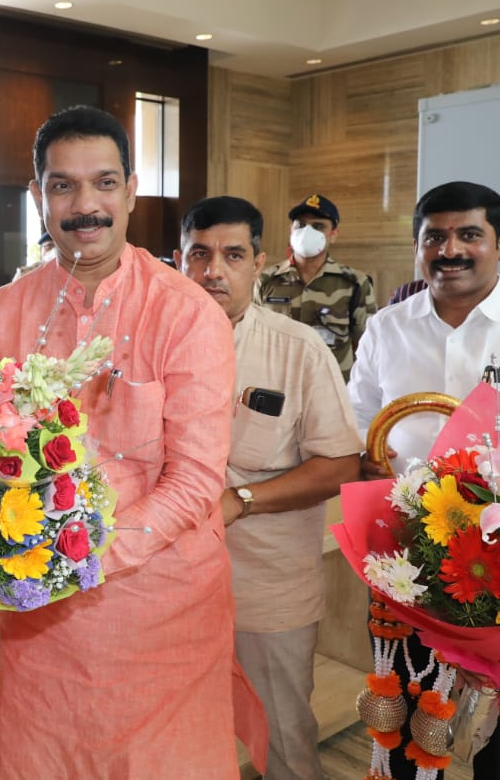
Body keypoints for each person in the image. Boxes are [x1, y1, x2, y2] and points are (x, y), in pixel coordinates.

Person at [0, 105, 261, 777]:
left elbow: (194, 483)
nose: (86, 206)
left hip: (160, 617)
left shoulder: (186, 311)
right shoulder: (6, 308)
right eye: (63, 186)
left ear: (132, 191)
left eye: (104, 183)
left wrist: (78, 556)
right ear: (38, 195)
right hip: (41, 620)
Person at [348, 180, 500, 779]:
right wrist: (366, 463)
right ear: (417, 247)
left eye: (469, 235)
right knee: (404, 713)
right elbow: (356, 428)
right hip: (407, 564)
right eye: (434, 237)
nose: (449, 250)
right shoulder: (386, 329)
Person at [175, 195, 361, 780]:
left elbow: (339, 464)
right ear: (178, 261)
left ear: (260, 263)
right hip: (168, 586)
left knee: (283, 737)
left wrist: (243, 500)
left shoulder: (297, 349)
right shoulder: (146, 351)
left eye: (233, 254)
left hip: (266, 583)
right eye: (199, 254)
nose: (213, 270)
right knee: (178, 732)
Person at [258, 193, 378, 380]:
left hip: (332, 390)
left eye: (318, 226)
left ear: (333, 235)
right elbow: (251, 337)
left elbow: (366, 347)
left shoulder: (354, 283)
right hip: (277, 388)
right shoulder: (265, 280)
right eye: (301, 225)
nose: (307, 232)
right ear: (291, 230)